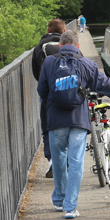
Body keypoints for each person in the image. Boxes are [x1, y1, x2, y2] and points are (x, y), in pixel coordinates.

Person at [37, 30, 110, 218]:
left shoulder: (49, 63)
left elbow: (42, 91)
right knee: (76, 162)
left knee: (59, 160)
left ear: (60, 45)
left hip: (56, 121)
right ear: (78, 46)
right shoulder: (86, 64)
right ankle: (70, 207)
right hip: (78, 121)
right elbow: (105, 85)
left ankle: (59, 200)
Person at [33, 18, 65, 178]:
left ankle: (52, 159)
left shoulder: (40, 47)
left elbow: (36, 73)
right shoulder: (68, 46)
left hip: (48, 95)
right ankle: (65, 158)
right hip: (67, 91)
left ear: (47, 30)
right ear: (64, 32)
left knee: (47, 128)